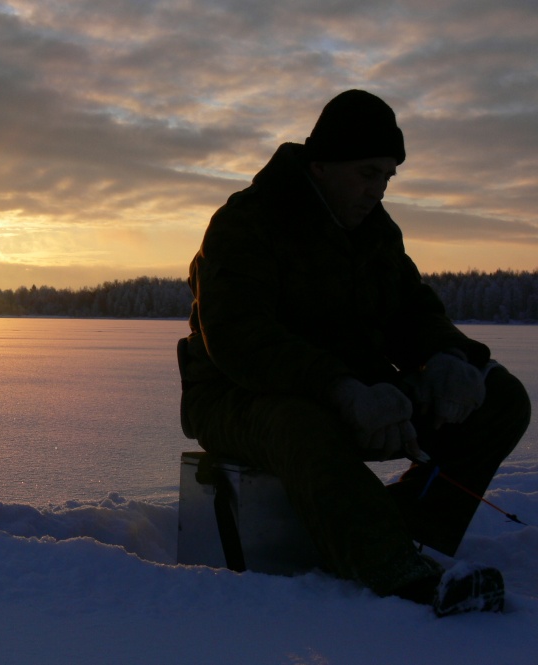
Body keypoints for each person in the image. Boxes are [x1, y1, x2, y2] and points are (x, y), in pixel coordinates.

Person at [178, 89, 531, 616]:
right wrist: (343, 389)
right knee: (301, 421)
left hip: (354, 392)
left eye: (387, 177)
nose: (377, 190)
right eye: (368, 174)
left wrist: (448, 361)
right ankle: (395, 570)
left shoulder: (375, 232)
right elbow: (239, 340)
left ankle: (414, 537)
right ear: (321, 166)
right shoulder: (246, 222)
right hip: (239, 398)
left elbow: (413, 312)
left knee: (499, 397)